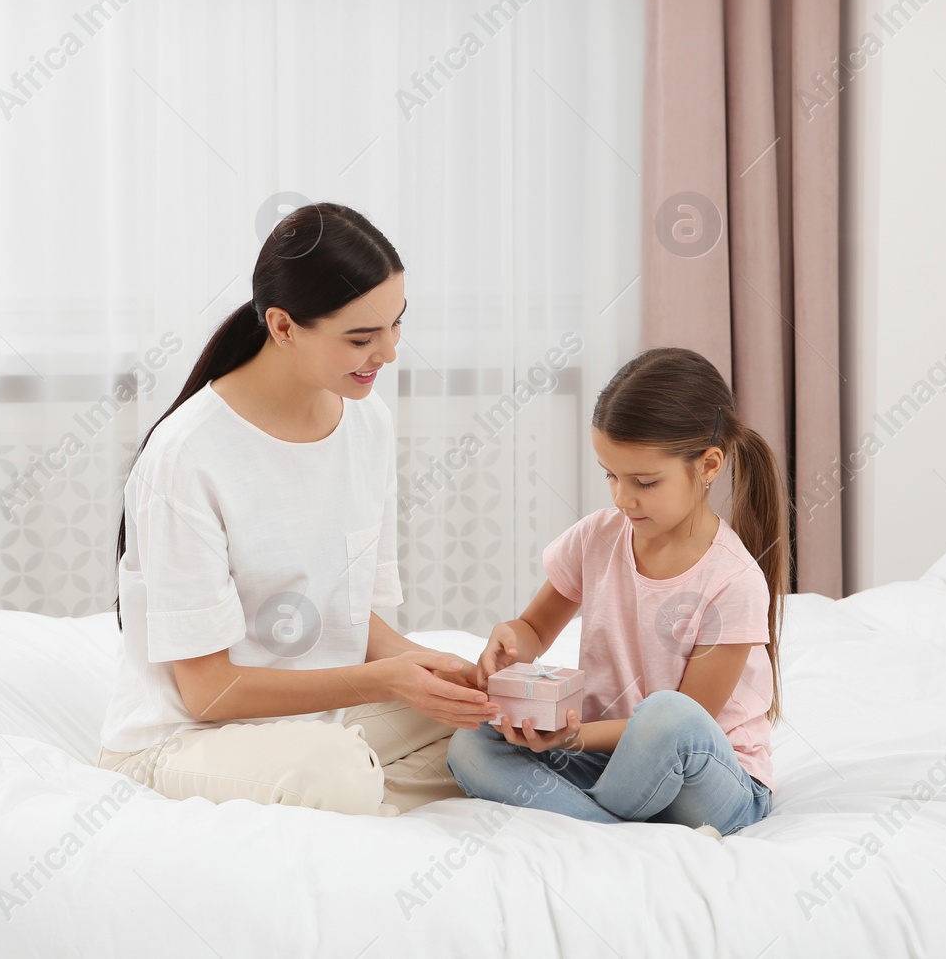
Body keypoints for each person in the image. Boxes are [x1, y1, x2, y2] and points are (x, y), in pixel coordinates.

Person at [97, 202, 502, 817]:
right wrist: (384, 683)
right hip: (186, 741)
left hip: (315, 722)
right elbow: (209, 692)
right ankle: (352, 788)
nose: (389, 353)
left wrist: (430, 666)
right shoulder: (188, 456)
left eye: (396, 324)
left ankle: (358, 788)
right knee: (336, 774)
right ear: (283, 327)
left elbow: (349, 617)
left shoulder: (367, 421)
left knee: (493, 722)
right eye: (362, 338)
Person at [446, 347, 788, 835]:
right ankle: (612, 827)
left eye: (644, 482)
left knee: (667, 715)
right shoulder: (596, 538)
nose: (622, 498)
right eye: (611, 475)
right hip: (605, 761)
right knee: (472, 745)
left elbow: (689, 725)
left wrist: (571, 737)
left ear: (709, 466)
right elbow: (535, 628)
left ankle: (596, 826)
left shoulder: (733, 581)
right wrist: (510, 643)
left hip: (710, 781)